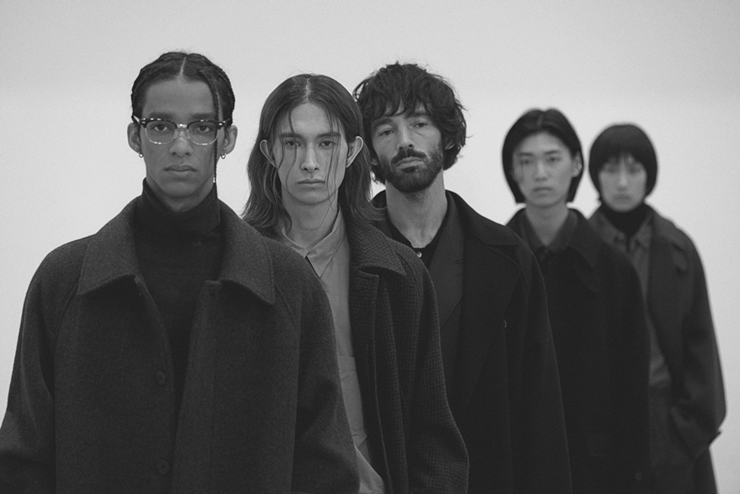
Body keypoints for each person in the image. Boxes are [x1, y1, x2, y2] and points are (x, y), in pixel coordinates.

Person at [0, 52, 358, 494]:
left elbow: (326, 467)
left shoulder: (289, 286)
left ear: (227, 139)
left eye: (202, 127)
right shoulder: (64, 281)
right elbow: (23, 462)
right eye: (161, 126)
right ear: (135, 135)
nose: (181, 145)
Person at [243, 73, 469, 494]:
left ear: (352, 151)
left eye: (327, 143)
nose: (310, 162)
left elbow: (431, 428)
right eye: (292, 143)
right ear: (269, 152)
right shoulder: (235, 270)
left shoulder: (398, 273)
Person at [354, 63, 571, 493]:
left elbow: (540, 411)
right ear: (369, 151)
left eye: (420, 123)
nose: (405, 141)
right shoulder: (349, 252)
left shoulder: (508, 258)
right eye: (386, 130)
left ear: (446, 136)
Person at [501, 108, 651, 493]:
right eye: (526, 161)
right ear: (512, 171)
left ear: (577, 165)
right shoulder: (492, 261)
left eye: (552, 159)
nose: (540, 173)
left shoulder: (614, 269)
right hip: (512, 462)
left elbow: (632, 389)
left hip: (595, 468)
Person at [588, 123, 726, 494]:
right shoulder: (579, 247)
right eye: (610, 169)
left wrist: (687, 431)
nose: (621, 182)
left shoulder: (678, 248)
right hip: (601, 421)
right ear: (594, 175)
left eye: (633, 169)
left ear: (649, 176)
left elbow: (701, 345)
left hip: (667, 417)